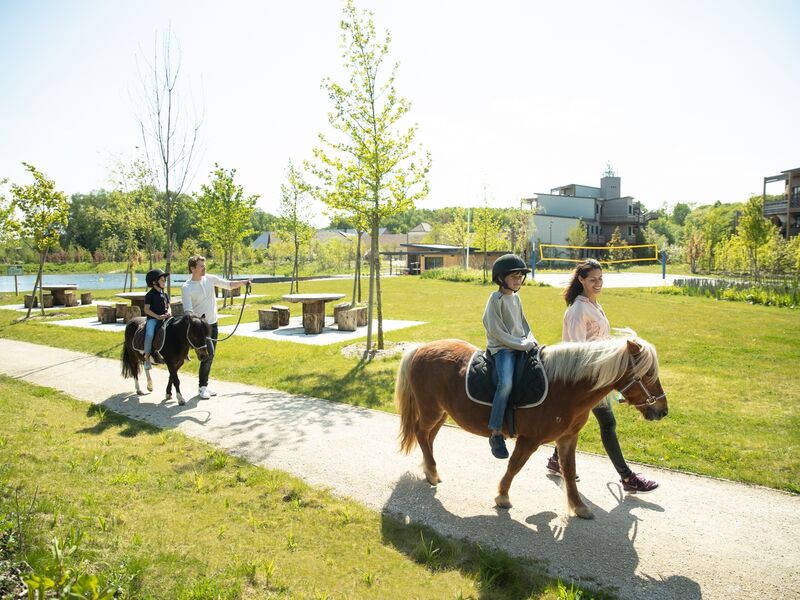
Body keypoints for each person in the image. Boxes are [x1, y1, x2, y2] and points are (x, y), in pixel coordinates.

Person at [546, 258, 659, 493]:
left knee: (575, 424)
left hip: (602, 375)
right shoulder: (578, 309)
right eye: (592, 280)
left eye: (600, 279)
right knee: (608, 423)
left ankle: (556, 460)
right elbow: (577, 350)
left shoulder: (594, 304)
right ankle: (627, 478)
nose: (598, 283)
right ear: (581, 280)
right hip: (588, 379)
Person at [483, 254, 538, 459]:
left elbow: (524, 325)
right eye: (514, 276)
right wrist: (522, 344)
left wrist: (532, 341)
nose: (518, 280)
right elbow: (496, 331)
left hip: (520, 345)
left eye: (520, 277)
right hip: (503, 349)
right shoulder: (495, 299)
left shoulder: (516, 297)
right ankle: (496, 430)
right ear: (501, 278)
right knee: (505, 383)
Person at [181, 255, 251, 399]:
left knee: (210, 356)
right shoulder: (187, 287)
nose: (204, 268)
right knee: (209, 354)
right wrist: (197, 323)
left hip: (214, 324)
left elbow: (228, 285)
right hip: (200, 328)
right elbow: (188, 311)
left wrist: (243, 282)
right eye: (201, 266)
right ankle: (202, 387)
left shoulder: (210, 279)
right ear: (193, 268)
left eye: (204, 265)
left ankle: (204, 385)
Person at [143, 268, 171, 370]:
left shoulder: (165, 294)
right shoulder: (150, 295)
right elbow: (146, 309)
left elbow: (169, 305)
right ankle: (146, 357)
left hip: (166, 318)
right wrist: (157, 317)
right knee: (150, 333)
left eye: (165, 280)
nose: (164, 282)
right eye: (162, 280)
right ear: (154, 282)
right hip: (153, 319)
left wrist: (168, 312)